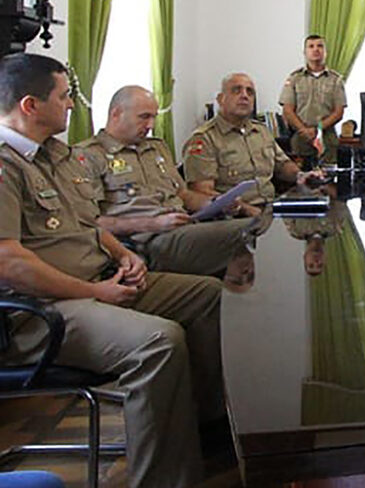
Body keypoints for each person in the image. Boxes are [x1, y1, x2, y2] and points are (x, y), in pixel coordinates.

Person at [0, 53, 221, 488]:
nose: (71, 105)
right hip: (38, 312)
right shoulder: (6, 166)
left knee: (205, 294)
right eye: (64, 97)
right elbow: (8, 262)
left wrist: (124, 255)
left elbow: (88, 225)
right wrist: (94, 291)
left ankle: (206, 429)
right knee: (159, 342)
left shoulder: (56, 157)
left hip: (97, 282)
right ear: (30, 105)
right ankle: (164, 479)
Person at [76, 85, 256, 277]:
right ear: (116, 113)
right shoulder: (88, 155)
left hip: (186, 228)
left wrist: (216, 204)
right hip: (147, 241)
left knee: (261, 228)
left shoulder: (156, 148)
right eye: (144, 117)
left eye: (154, 117)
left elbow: (183, 195)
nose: (151, 125)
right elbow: (89, 223)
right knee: (250, 230)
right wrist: (151, 223)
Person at [183, 73, 305, 217]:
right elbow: (201, 192)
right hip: (233, 218)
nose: (244, 96)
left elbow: (283, 165)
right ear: (221, 99)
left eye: (250, 92)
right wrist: (243, 208)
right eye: (236, 90)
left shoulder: (261, 131)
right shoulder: (204, 138)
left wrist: (301, 175)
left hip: (271, 210)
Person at [279, 34, 347, 164]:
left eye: (320, 46)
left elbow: (339, 112)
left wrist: (318, 129)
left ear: (325, 52)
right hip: (301, 135)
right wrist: (304, 130)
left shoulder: (335, 80)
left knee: (329, 177)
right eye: (311, 46)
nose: (316, 49)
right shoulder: (294, 78)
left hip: (327, 136)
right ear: (305, 52)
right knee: (299, 177)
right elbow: (288, 110)